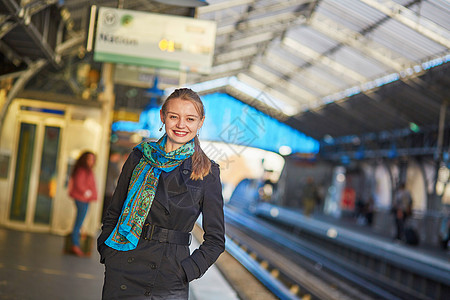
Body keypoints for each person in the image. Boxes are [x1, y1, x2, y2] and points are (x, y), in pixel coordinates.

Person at [97, 88, 225, 299]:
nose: (181, 125)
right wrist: (107, 251)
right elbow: (115, 211)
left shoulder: (206, 173)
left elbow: (216, 240)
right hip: (123, 268)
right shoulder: (139, 157)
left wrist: (186, 271)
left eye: (190, 119)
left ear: (200, 122)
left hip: (168, 278)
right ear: (163, 117)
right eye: (174, 116)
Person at [68, 151, 98, 257]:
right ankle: (75, 245)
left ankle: (75, 244)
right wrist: (86, 192)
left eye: (93, 159)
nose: (91, 161)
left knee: (79, 222)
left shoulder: (88, 170)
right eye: (89, 159)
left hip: (85, 199)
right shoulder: (82, 170)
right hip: (82, 199)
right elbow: (79, 184)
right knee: (78, 223)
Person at [102, 151, 121, 222]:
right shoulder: (112, 165)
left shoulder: (106, 163)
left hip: (106, 188)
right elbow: (117, 174)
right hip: (109, 188)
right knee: (106, 207)